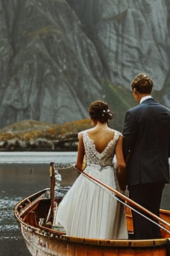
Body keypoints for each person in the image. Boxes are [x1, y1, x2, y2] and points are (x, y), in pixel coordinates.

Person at [54, 101, 128, 240]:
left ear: (92, 117)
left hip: (89, 177)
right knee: (105, 213)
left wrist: (86, 169)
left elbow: (78, 164)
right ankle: (106, 243)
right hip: (108, 178)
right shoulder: (117, 136)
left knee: (86, 210)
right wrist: (122, 186)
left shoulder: (83, 135)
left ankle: (85, 241)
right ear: (107, 116)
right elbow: (121, 165)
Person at [121, 73, 170, 240]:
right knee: (153, 214)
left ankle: (144, 250)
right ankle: (157, 245)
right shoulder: (168, 113)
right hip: (159, 173)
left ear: (135, 91)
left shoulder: (133, 113)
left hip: (139, 174)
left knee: (139, 215)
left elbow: (126, 145)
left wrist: (123, 167)